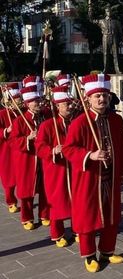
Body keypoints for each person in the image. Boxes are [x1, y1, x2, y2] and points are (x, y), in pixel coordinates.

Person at [63, 73, 123, 273]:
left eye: (105, 95)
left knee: (112, 217)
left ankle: (107, 251)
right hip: (89, 178)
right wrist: (90, 155)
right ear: (88, 98)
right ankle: (89, 255)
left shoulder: (116, 120)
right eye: (97, 96)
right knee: (87, 218)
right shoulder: (80, 122)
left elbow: (122, 147)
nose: (102, 99)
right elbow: (69, 149)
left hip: (111, 177)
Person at [35, 85, 75, 247]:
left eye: (70, 104)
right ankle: (57, 233)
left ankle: (77, 229)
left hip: (73, 168)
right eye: (66, 104)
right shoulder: (47, 125)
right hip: (55, 169)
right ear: (58, 106)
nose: (70, 107)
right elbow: (39, 147)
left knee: (75, 199)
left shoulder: (75, 123)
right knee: (57, 201)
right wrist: (53, 150)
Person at [10, 81, 51, 230]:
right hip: (27, 160)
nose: (39, 103)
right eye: (35, 101)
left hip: (44, 158)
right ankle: (27, 217)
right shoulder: (20, 121)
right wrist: (28, 138)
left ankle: (45, 214)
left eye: (39, 100)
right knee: (27, 191)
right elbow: (13, 141)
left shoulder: (46, 116)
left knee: (46, 187)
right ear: (28, 103)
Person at [0, 82, 21, 213]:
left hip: (19, 148)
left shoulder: (21, 113)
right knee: (9, 177)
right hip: (6, 150)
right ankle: (11, 201)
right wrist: (6, 130)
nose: (19, 101)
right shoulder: (3, 114)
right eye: (17, 99)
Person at [90, 5, 121, 74]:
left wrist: (120, 40)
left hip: (114, 38)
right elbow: (91, 20)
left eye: (110, 11)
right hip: (105, 37)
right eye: (107, 11)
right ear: (105, 13)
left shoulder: (116, 22)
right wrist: (90, 11)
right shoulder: (101, 21)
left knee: (116, 54)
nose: (109, 12)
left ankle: (117, 69)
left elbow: (120, 32)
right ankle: (105, 69)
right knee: (105, 54)